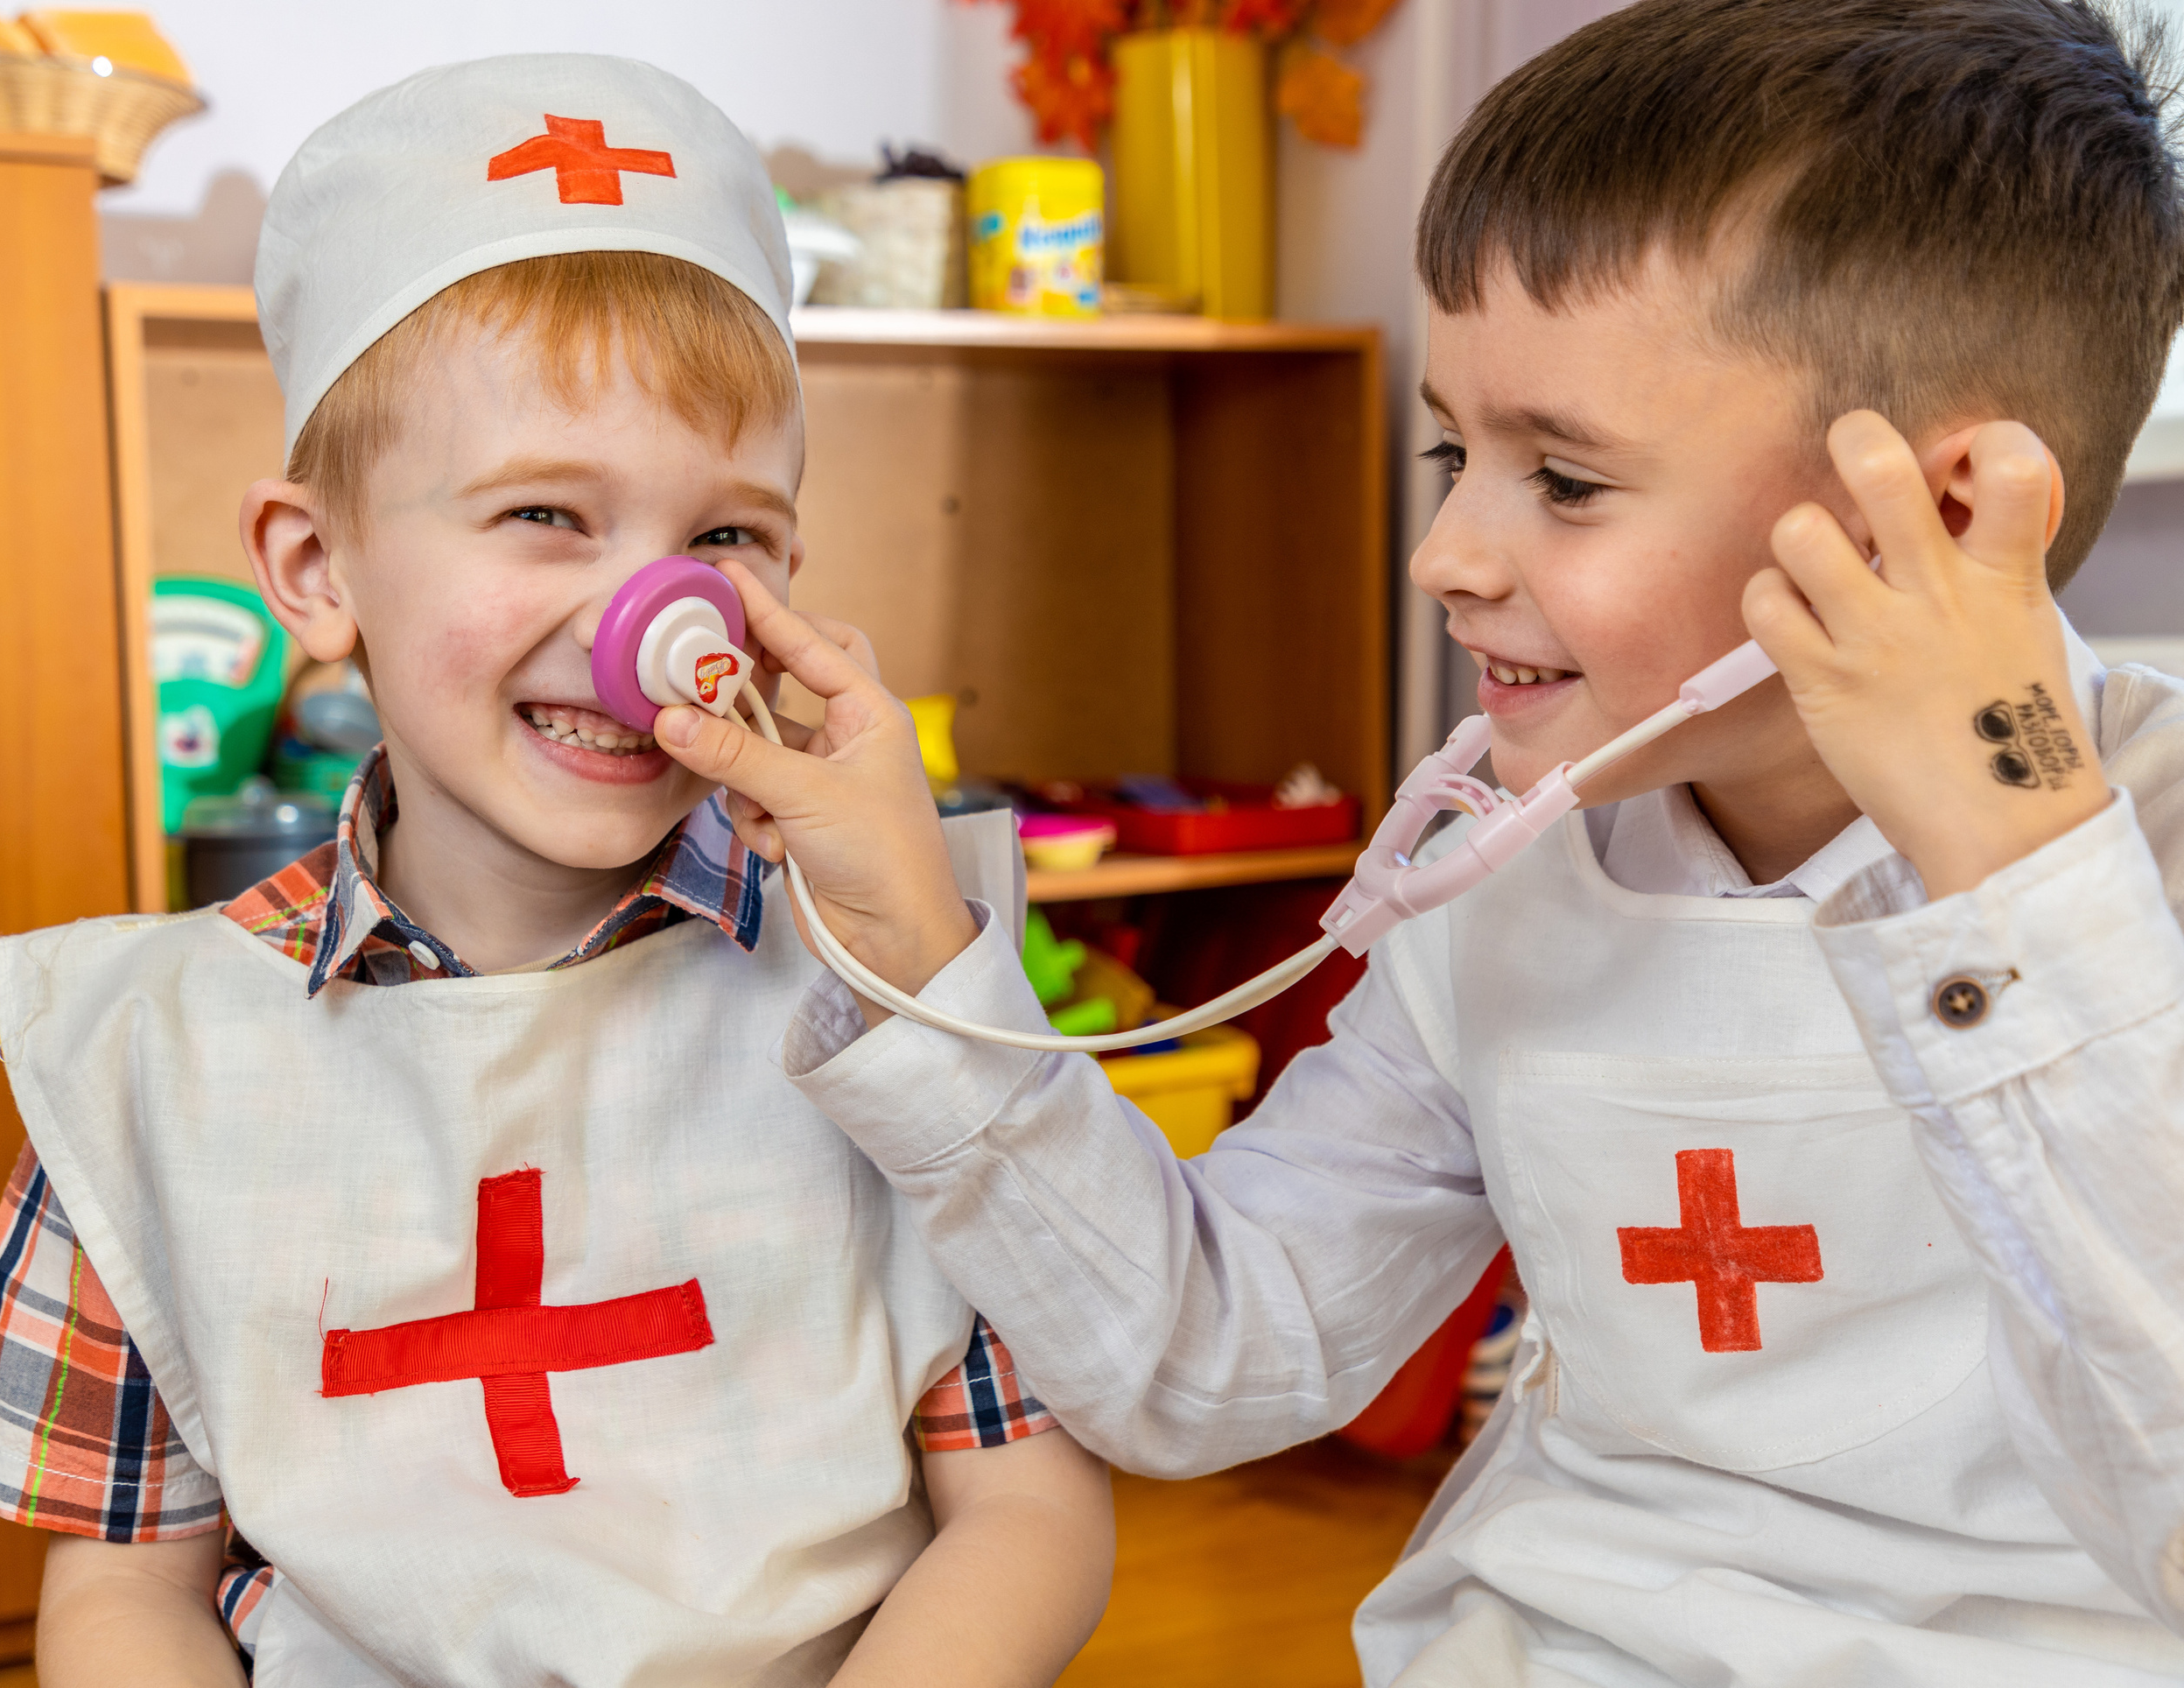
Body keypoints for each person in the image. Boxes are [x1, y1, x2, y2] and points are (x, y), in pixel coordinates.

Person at [653, 3, 2184, 1683]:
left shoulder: (2151, 853)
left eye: (1569, 481)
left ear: (1940, 517)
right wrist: (916, 951)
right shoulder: (1517, 858)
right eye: (1461, 450)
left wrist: (2017, 866)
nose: (1444, 553)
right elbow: (1208, 1357)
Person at [0, 56, 1111, 1687]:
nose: (658, 635)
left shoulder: (895, 992)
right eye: (548, 513)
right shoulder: (145, 1068)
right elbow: (126, 1590)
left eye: (725, 541)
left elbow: (1031, 1505)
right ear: (316, 564)